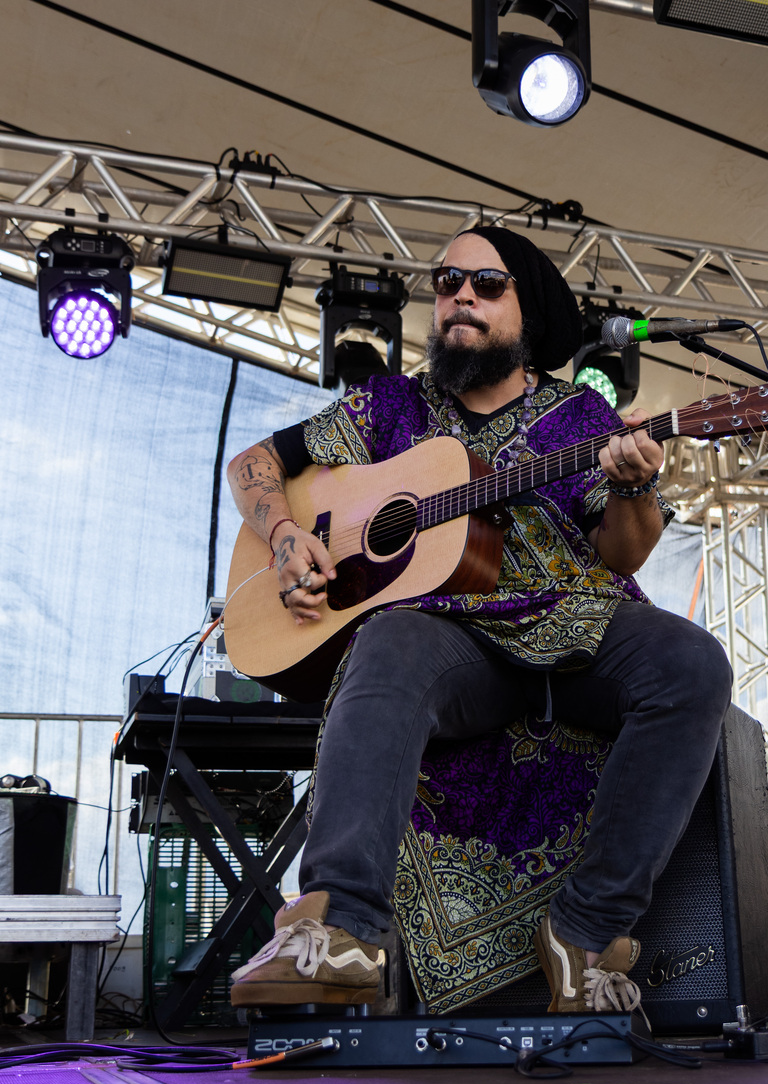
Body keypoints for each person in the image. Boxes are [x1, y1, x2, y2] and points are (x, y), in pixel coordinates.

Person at [227, 226, 732, 1021]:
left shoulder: (579, 413)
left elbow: (623, 554)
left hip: (571, 618)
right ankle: (339, 930)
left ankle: (586, 933)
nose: (461, 296)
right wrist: (286, 534)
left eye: (486, 285)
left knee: (694, 663)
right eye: (447, 282)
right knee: (388, 639)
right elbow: (253, 464)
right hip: (451, 636)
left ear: (527, 312)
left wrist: (634, 487)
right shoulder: (390, 406)